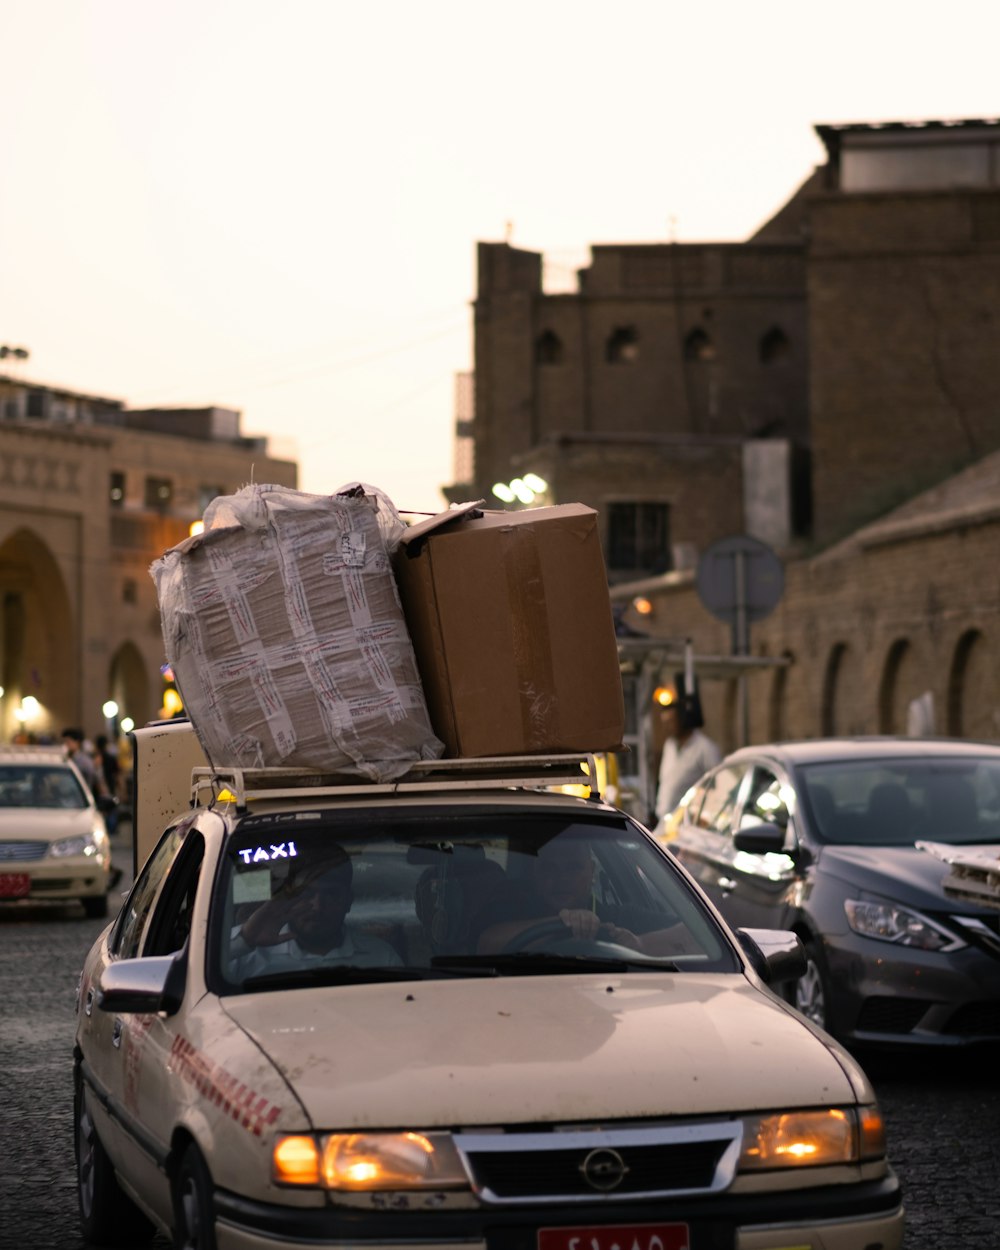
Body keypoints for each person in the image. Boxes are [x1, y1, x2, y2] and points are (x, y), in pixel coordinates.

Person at [474, 837, 698, 958]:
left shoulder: (619, 918)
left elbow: (698, 934)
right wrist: (559, 924)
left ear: (591, 872)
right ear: (535, 874)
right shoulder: (510, 910)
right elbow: (484, 945)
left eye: (573, 868)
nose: (562, 879)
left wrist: (641, 944)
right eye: (550, 869)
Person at [229, 847, 401, 979]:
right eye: (307, 893)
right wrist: (244, 941)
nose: (317, 906)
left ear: (348, 900)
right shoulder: (243, 949)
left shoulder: (382, 957)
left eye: (331, 894)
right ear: (288, 896)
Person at [653, 685, 720, 824]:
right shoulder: (669, 745)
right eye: (665, 723)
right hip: (664, 821)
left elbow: (717, 786)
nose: (667, 727)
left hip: (689, 825)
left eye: (670, 722)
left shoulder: (705, 748)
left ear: (683, 720)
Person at [61, 727, 101, 794]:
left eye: (68, 742)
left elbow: (93, 779)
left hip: (80, 795)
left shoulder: (84, 761)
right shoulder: (65, 758)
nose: (66, 745)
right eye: (64, 742)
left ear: (77, 742)